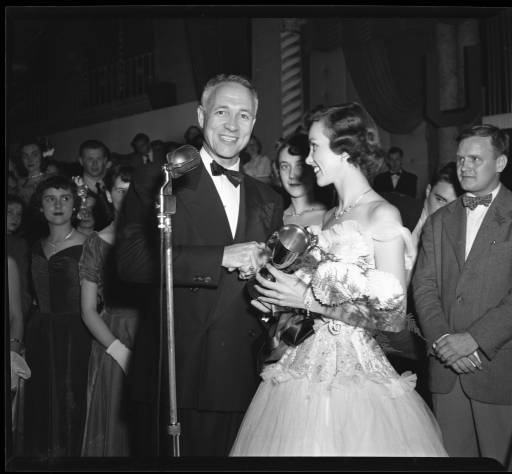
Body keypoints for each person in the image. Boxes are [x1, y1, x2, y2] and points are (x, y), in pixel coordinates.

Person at [230, 103, 447, 456]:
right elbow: (318, 297)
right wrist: (279, 301)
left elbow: (391, 318)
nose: (308, 159)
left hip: (355, 376)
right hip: (304, 363)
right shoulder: (330, 217)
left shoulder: (382, 214)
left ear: (344, 150)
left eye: (315, 147)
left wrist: (306, 300)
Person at [116, 73, 284, 456]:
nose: (231, 125)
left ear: (254, 123)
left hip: (245, 372)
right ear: (200, 114)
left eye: (244, 115)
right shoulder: (160, 179)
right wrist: (221, 256)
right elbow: (132, 262)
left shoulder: (269, 197)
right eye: (221, 111)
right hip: (181, 372)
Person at [412, 124, 512, 469]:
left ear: (500, 163)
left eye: (475, 159)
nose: (465, 167)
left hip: (497, 369)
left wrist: (474, 340)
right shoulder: (439, 221)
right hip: (445, 372)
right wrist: (442, 340)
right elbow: (423, 287)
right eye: (460, 159)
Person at [23, 175, 90, 457]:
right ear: (41, 207)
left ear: (75, 205)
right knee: (42, 401)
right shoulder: (34, 247)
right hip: (39, 333)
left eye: (65, 198)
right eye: (50, 199)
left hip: (77, 334)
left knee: (71, 402)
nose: (58, 205)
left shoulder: (90, 244)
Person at [80, 165, 139, 456]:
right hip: (114, 341)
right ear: (107, 192)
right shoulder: (96, 243)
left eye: (132, 191)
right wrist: (120, 352)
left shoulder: (157, 238)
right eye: (119, 190)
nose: (126, 198)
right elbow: (88, 311)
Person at [411, 162, 463, 253]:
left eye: (454, 206)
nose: (445, 211)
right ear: (428, 191)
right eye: (440, 200)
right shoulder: (399, 216)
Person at [277, 132, 326, 227]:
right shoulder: (274, 219)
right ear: (278, 173)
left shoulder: (329, 216)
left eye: (300, 166)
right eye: (285, 166)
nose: (292, 175)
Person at [77, 139, 113, 231]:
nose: (95, 164)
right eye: (90, 159)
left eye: (99, 159)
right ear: (81, 161)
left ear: (105, 160)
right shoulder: (73, 190)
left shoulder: (115, 185)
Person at [15, 140, 50, 204]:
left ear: (41, 156)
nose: (29, 159)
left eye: (34, 155)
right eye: (25, 156)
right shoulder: (20, 182)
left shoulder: (50, 180)